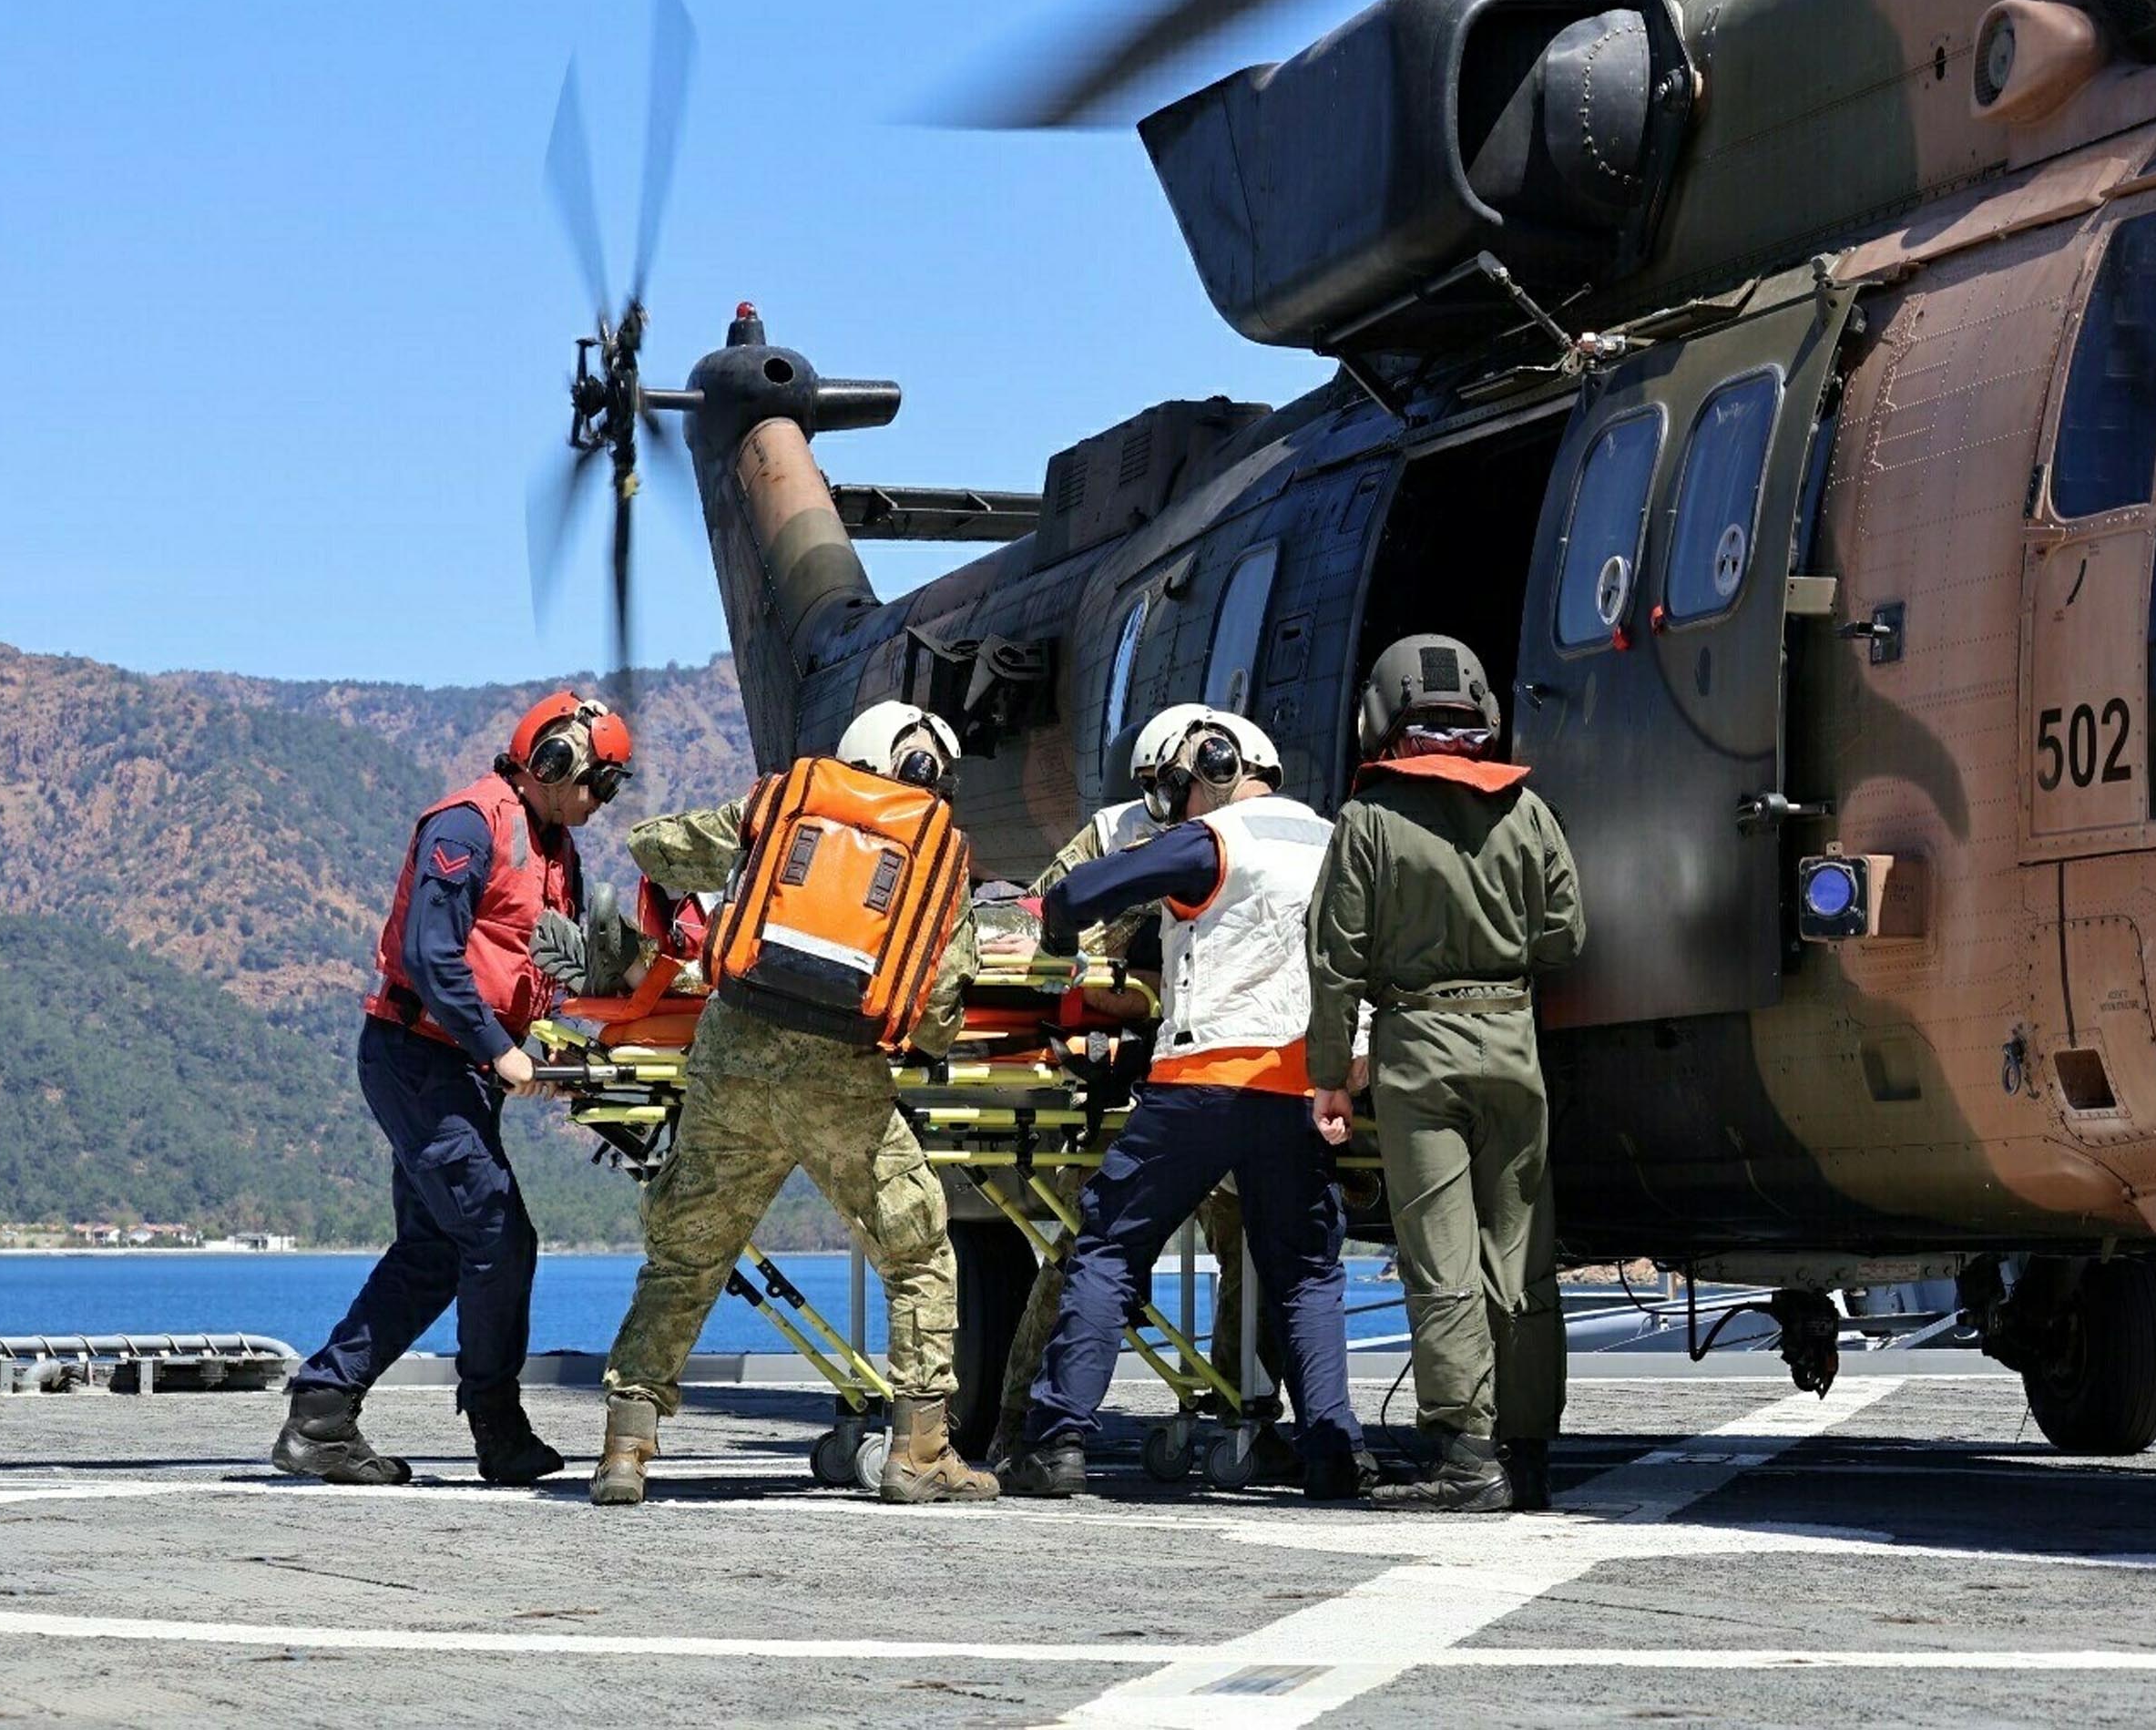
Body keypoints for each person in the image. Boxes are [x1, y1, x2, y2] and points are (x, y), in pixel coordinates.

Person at [592, 701, 995, 1507]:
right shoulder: (937, 854)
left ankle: (626, 1447)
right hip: (844, 1085)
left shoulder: (782, 806)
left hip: (732, 1066)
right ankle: (918, 1453)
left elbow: (655, 845)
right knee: (917, 1253)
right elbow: (944, 1003)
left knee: (686, 1256)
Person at [996, 711, 1371, 1500]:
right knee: (1305, 1273)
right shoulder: (1339, 842)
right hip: (1297, 1089)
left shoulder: (1214, 840)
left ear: (1220, 763)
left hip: (1197, 1084)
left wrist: (1061, 938)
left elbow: (1078, 892)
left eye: (1177, 788)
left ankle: (1057, 1438)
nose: (1176, 806)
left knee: (1109, 1247)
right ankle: (1333, 1451)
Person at [274, 690, 631, 1486]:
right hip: (416, 1057)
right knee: (500, 1236)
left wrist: (577, 1044)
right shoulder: (470, 824)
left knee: (437, 1249)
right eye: (596, 784)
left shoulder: (555, 848)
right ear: (553, 762)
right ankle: (496, 1427)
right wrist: (499, 1050)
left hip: (456, 1065)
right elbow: (431, 955)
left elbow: (543, 964)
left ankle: (322, 1412)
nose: (598, 803)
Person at [1306, 636, 1585, 1511]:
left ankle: (1467, 1459)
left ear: (1384, 716)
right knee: (1521, 1255)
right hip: (1513, 1043)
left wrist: (1329, 1078)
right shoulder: (1526, 809)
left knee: (1442, 1257)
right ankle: (1529, 1453)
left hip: (1418, 1049)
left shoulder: (1371, 820)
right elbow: (1566, 935)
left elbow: (1334, 961)